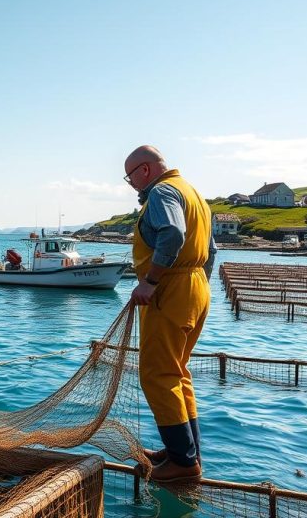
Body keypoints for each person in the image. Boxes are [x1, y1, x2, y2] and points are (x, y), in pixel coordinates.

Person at [123, 145, 216, 483]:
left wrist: (150, 282)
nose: (131, 184)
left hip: (171, 288)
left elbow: (173, 234)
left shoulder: (162, 192)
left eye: (130, 177)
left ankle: (183, 462)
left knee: (157, 374)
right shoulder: (193, 194)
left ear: (144, 170)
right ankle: (185, 450)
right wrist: (196, 286)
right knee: (178, 372)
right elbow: (211, 250)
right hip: (195, 287)